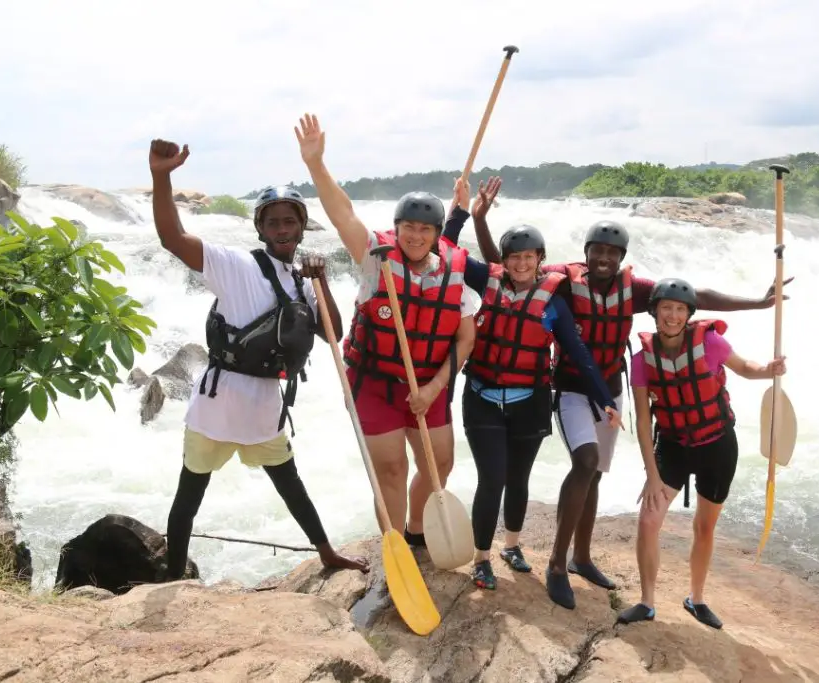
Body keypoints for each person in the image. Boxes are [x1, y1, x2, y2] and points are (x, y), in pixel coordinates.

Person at [465, 177, 793, 609]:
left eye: (611, 253)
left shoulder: (634, 291)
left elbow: (695, 296)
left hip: (611, 390)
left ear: (621, 258)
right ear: (586, 254)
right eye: (596, 251)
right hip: (569, 389)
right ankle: (558, 565)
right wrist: (480, 221)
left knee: (596, 472)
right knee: (583, 462)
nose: (603, 259)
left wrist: (756, 302)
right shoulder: (562, 279)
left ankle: (582, 556)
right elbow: (504, 270)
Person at [147, 138, 369, 579]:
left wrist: (321, 281)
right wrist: (162, 176)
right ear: (261, 229)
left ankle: (326, 553)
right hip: (217, 405)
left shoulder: (303, 282)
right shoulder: (235, 266)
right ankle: (173, 579)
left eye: (290, 222)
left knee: (291, 484)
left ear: (302, 229)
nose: (283, 229)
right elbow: (172, 238)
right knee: (188, 496)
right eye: (274, 223)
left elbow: (334, 333)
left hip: (265, 409)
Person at [294, 114, 478, 544]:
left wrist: (433, 389)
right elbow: (343, 215)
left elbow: (465, 338)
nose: (415, 235)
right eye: (408, 227)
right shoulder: (375, 259)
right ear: (397, 229)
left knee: (441, 464)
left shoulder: (453, 269)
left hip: (428, 383)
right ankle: (393, 548)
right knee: (392, 468)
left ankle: (417, 531)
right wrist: (316, 165)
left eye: (425, 229)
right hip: (374, 382)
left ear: (436, 234)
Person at [442, 206, 621, 590]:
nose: (522, 263)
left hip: (530, 400)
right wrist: (459, 214)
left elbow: (577, 351)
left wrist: (604, 397)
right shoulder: (485, 280)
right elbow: (445, 249)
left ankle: (512, 546)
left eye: (529, 257)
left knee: (519, 478)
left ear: (541, 260)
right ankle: (482, 558)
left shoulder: (553, 303)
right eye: (515, 257)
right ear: (503, 261)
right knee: (492, 479)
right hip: (482, 396)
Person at [617, 278, 786, 629]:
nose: (673, 316)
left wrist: (770, 370)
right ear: (655, 312)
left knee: (705, 528)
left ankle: (696, 599)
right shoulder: (641, 360)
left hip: (718, 446)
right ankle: (647, 602)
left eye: (680, 309)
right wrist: (651, 475)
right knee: (648, 522)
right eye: (666, 308)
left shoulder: (710, 342)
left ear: (689, 314)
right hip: (673, 447)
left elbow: (745, 369)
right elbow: (644, 424)